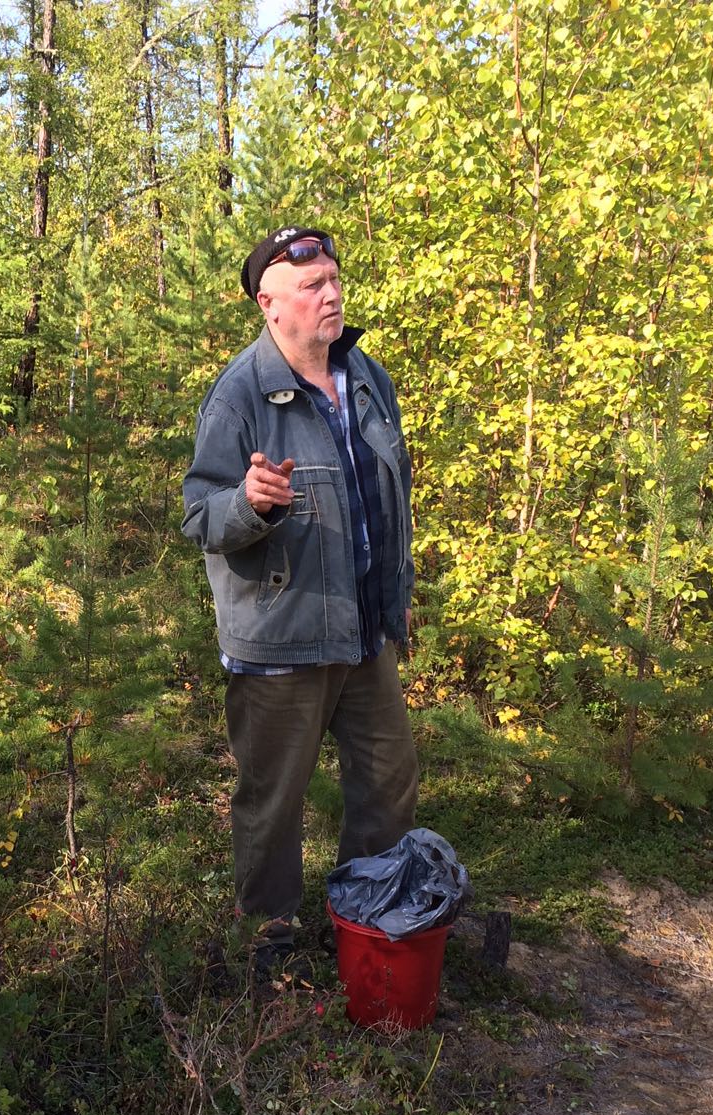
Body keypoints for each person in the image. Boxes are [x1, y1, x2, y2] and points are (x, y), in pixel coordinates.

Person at [181, 227, 418, 976]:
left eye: (334, 280)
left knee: (388, 777)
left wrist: (396, 595)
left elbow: (391, 496)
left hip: (363, 633)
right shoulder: (241, 393)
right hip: (280, 639)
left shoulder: (368, 376)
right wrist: (248, 501)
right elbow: (197, 516)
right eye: (313, 286)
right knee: (273, 803)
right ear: (269, 303)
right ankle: (268, 949)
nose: (332, 294)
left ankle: (367, 916)